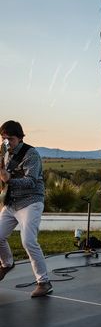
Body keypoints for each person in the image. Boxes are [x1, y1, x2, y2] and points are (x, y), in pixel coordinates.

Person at [0, 120, 52, 297]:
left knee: (28, 241)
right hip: (11, 203)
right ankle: (7, 264)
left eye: (10, 139)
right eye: (3, 139)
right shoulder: (5, 154)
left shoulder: (31, 154)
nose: (7, 142)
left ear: (20, 138)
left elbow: (31, 182)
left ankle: (44, 282)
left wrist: (8, 180)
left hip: (31, 201)